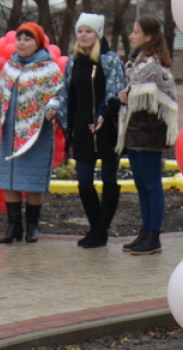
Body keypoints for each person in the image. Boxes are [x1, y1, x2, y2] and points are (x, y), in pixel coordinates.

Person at [0, 22, 62, 244]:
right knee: (9, 179)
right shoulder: (9, 67)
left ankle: (32, 226)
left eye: (27, 39)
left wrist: (53, 107)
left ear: (37, 43)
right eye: (19, 39)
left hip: (35, 134)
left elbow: (59, 93)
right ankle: (14, 226)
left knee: (32, 180)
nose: (21, 43)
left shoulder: (48, 68)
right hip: (10, 132)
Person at [46, 13, 126, 248]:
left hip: (107, 128)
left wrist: (104, 113)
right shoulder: (73, 62)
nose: (83, 35)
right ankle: (96, 228)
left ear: (98, 34)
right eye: (80, 31)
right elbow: (66, 94)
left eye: (88, 31)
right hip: (82, 128)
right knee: (83, 181)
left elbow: (116, 91)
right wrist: (54, 109)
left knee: (109, 180)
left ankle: (101, 231)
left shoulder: (110, 60)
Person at [116, 15, 178, 256]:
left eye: (136, 32)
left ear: (148, 37)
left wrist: (129, 95)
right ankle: (145, 232)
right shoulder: (137, 62)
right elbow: (136, 92)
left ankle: (154, 235)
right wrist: (127, 94)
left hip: (149, 134)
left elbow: (150, 94)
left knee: (152, 185)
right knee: (142, 185)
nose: (132, 36)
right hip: (135, 132)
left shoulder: (152, 65)